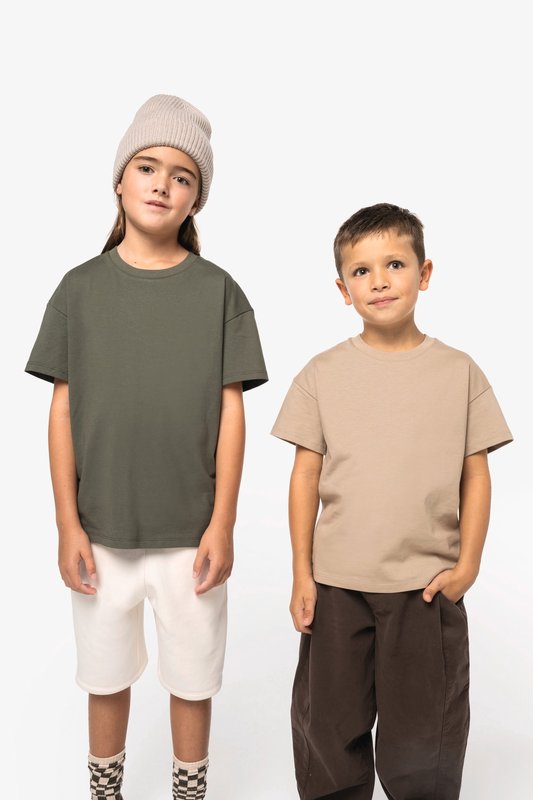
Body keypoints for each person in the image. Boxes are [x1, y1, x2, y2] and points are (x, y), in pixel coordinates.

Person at [24, 94, 268, 800]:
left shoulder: (219, 293)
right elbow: (61, 410)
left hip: (191, 536)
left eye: (182, 176)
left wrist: (222, 523)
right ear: (120, 180)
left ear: (196, 199)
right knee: (104, 676)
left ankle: (188, 794)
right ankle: (106, 793)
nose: (162, 184)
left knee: (192, 680)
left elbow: (231, 414)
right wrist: (67, 523)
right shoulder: (79, 290)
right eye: (147, 167)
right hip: (100, 531)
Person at [271, 203, 513, 800]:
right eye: (362, 271)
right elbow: (304, 477)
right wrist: (302, 572)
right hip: (337, 586)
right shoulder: (322, 374)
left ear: (424, 273)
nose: (379, 281)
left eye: (395, 264)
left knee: (424, 735)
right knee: (330, 727)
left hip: (424, 588)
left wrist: (468, 566)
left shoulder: (459, 372)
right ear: (343, 289)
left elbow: (476, 474)